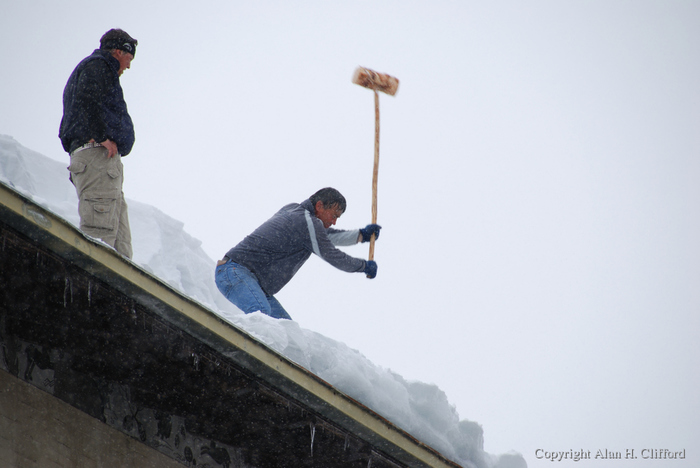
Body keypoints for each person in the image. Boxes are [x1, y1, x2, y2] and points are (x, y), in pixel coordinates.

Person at [215, 187, 381, 320]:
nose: (334, 221)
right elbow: (330, 254)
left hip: (252, 282)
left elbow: (324, 236)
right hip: (235, 271)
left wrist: (361, 235)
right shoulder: (305, 221)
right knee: (262, 316)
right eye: (334, 215)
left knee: (288, 334)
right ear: (319, 206)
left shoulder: (295, 211)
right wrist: (364, 266)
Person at [59, 28, 138, 259]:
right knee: (99, 241)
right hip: (96, 159)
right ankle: (89, 291)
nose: (129, 66)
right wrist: (101, 135)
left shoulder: (96, 68)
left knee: (119, 249)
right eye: (129, 58)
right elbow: (87, 98)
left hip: (99, 163)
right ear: (118, 51)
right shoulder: (98, 66)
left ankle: (118, 293)